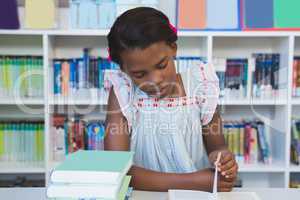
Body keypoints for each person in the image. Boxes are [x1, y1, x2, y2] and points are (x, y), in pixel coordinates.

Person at [104, 7, 238, 192]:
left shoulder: (200, 86)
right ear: (124, 71)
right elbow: (117, 169)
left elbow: (218, 146)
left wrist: (223, 160)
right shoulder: (123, 93)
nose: (155, 80)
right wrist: (196, 182)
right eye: (140, 74)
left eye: (161, 65)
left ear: (173, 49)